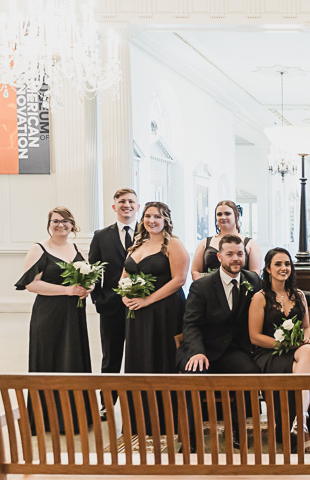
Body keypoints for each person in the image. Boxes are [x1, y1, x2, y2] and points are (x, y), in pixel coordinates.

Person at [179, 234, 261, 452]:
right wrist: (196, 352)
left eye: (240, 254)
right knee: (191, 379)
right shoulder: (202, 286)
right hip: (201, 349)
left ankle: (236, 430)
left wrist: (309, 297)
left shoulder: (252, 280)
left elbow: (277, 292)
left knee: (250, 372)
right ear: (219, 257)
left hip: (231, 351)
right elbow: (191, 324)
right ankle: (191, 438)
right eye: (230, 254)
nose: (236, 258)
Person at [15, 207, 94, 434]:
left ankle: (76, 416)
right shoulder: (39, 249)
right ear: (49, 224)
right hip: (49, 314)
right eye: (56, 221)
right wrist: (67, 290)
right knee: (51, 360)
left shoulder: (75, 247)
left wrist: (88, 287)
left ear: (73, 224)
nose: (61, 225)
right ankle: (48, 419)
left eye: (66, 221)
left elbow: (86, 276)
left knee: (73, 359)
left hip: (74, 314)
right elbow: (31, 284)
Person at [122, 202, 189, 430]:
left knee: (161, 357)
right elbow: (124, 276)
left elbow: (179, 279)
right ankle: (140, 420)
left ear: (166, 220)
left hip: (164, 311)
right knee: (139, 358)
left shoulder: (173, 244)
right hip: (137, 314)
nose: (152, 220)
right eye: (148, 216)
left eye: (157, 217)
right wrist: (125, 297)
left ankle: (164, 420)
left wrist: (148, 300)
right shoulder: (136, 245)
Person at [249, 247, 310, 452]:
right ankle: (302, 422)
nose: (284, 268)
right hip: (269, 353)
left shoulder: (298, 295)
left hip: (297, 351)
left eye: (287, 264)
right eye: (278, 264)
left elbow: (306, 327)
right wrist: (285, 345)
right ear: (268, 269)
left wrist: (304, 340)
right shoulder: (260, 297)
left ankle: (300, 420)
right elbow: (255, 337)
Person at [88, 188, 139, 419]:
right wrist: (97, 298)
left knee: (139, 355)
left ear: (137, 207)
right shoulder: (101, 235)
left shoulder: (148, 232)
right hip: (110, 306)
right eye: (121, 201)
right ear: (114, 206)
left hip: (141, 305)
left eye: (131, 201)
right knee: (111, 356)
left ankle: (139, 403)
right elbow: (93, 269)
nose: (126, 205)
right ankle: (107, 404)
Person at [190, 200, 263, 280]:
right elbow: (195, 271)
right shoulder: (205, 243)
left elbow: (255, 273)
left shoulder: (250, 244)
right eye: (219, 214)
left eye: (227, 214)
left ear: (237, 216)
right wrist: (205, 287)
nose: (223, 217)